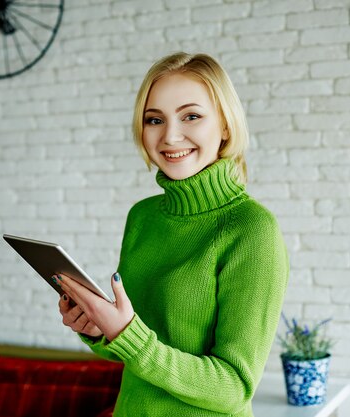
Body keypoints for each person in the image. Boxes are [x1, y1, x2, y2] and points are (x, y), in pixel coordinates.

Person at [53, 52, 289, 417]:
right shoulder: (143, 217)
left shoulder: (252, 230)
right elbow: (133, 351)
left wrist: (128, 335)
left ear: (225, 125)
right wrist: (99, 330)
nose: (170, 135)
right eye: (154, 119)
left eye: (191, 116)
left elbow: (234, 389)